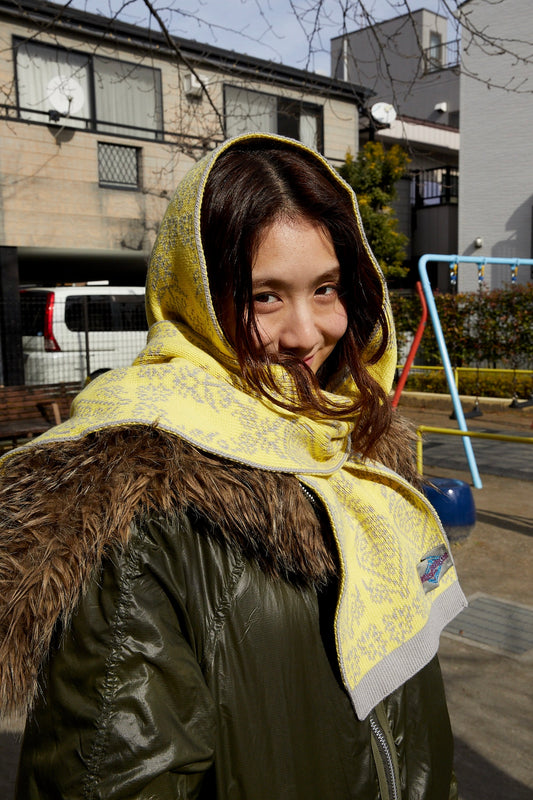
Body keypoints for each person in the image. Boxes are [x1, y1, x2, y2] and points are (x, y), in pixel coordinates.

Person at [0, 132, 466, 800]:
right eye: (264, 296)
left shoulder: (351, 455)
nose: (306, 334)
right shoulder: (143, 512)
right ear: (196, 296)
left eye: (326, 288)